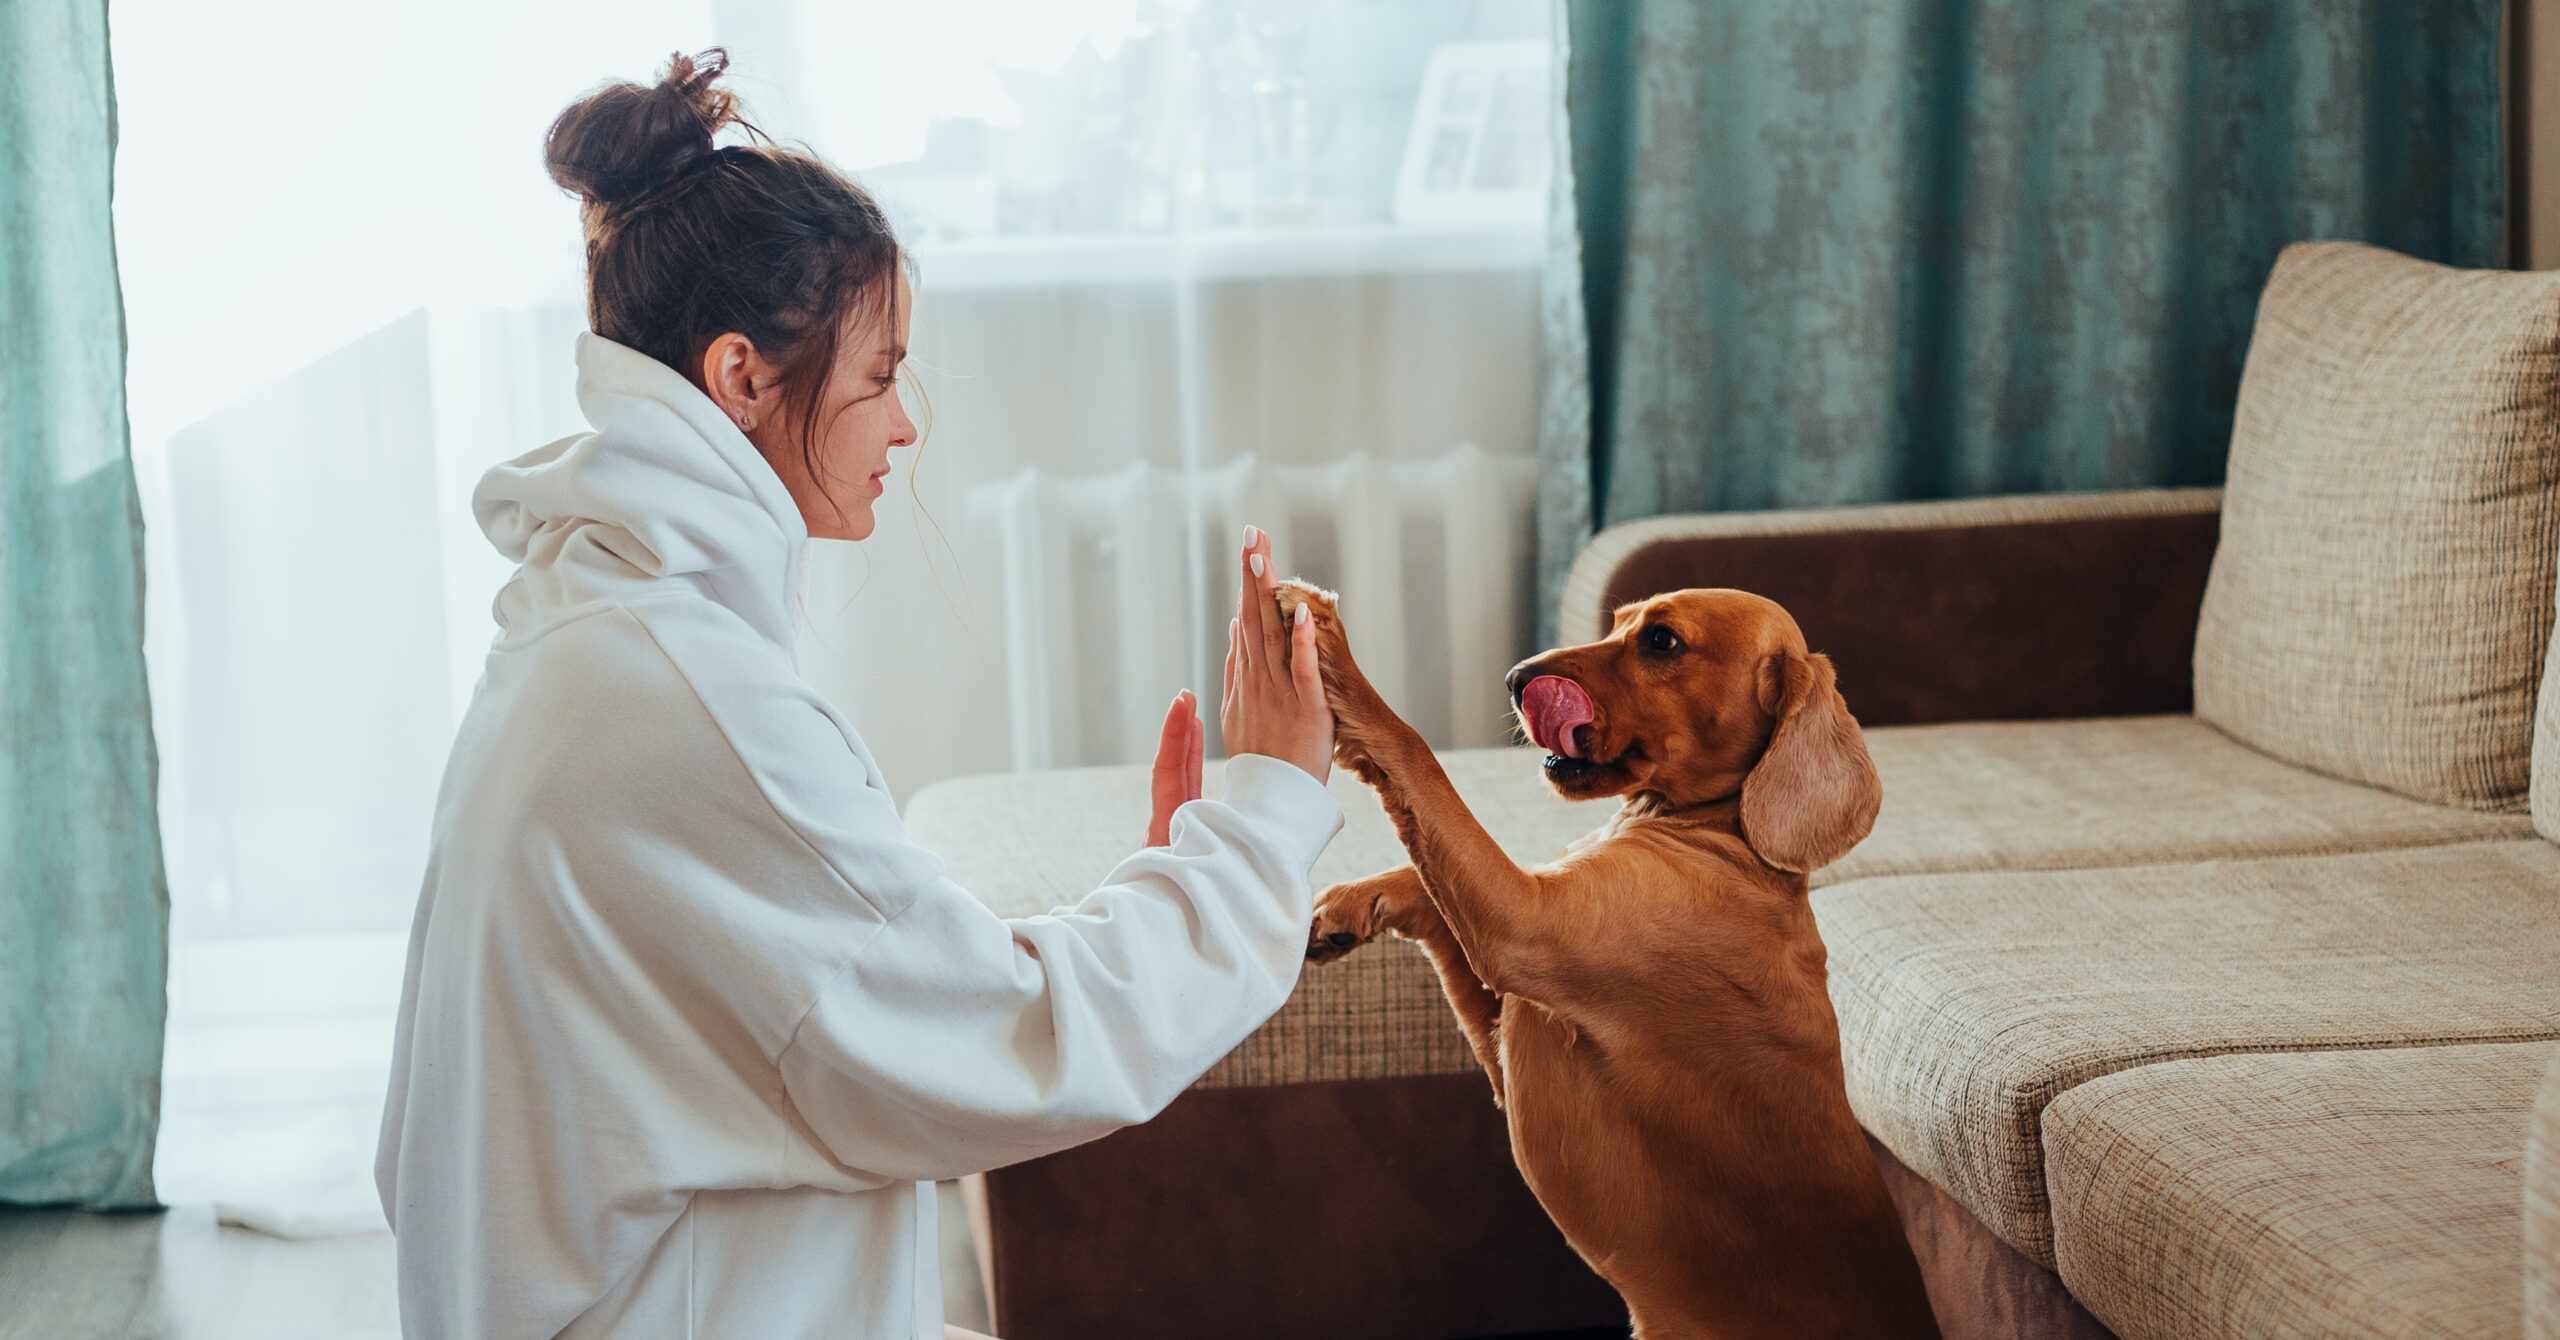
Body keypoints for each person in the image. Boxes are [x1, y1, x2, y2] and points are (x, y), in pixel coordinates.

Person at [374, 49, 1342, 1340]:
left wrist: (1172, 877)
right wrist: (1268, 810)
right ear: (741, 379)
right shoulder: (686, 700)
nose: (905, 426)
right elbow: (1020, 1038)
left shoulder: (591, 628)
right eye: (880, 376)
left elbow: (881, 993)